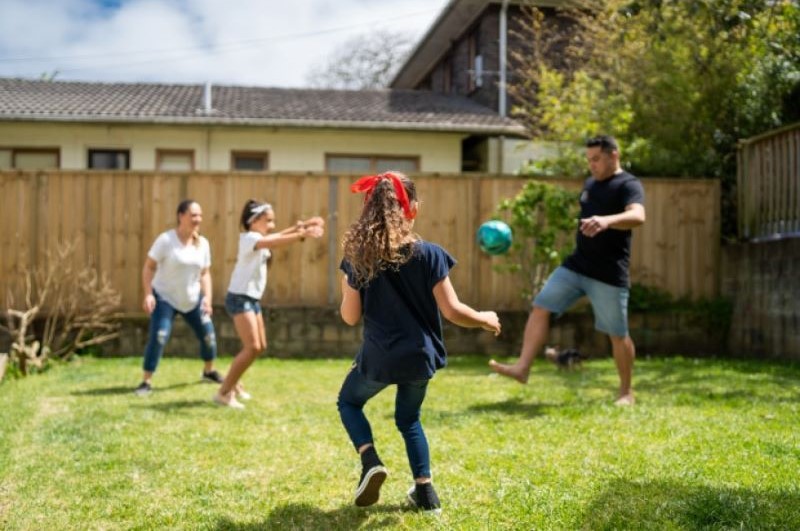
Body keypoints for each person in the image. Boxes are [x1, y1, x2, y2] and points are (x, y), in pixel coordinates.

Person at [337, 171, 501, 514]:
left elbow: (350, 317)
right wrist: (484, 318)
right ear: (412, 208)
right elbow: (453, 311)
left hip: (379, 358)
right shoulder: (430, 254)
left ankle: (370, 461)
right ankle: (426, 494)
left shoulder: (358, 258)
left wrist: (348, 282)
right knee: (409, 419)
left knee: (349, 402)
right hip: (419, 357)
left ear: (369, 210)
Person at [489, 135, 646, 406]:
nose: (592, 165)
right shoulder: (589, 185)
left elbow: (638, 216)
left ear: (614, 156)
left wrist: (606, 221)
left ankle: (625, 392)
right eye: (588, 160)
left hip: (608, 273)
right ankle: (523, 368)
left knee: (617, 335)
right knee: (541, 307)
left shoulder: (628, 185)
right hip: (576, 265)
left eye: (596, 159)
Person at [213, 200, 325, 409]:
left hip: (250, 298)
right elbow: (273, 241)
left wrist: (304, 225)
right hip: (240, 298)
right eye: (269, 220)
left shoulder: (258, 237)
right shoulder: (249, 238)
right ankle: (223, 393)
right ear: (254, 221)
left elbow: (276, 236)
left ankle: (233, 383)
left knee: (259, 347)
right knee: (252, 346)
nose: (272, 225)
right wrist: (303, 234)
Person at [134, 199, 221, 396]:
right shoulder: (166, 241)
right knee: (159, 336)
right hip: (164, 297)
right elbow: (149, 267)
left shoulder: (203, 244)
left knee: (208, 336)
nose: (197, 219)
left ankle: (209, 371)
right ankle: (146, 381)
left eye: (200, 215)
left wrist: (207, 297)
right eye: (193, 215)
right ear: (181, 216)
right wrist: (148, 294)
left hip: (192, 299)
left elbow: (205, 273)